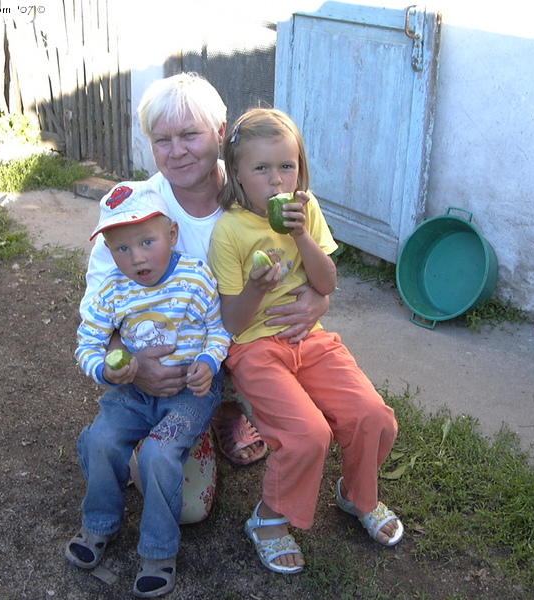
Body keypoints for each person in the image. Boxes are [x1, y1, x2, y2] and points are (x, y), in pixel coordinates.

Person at [82, 73, 329, 469]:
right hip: (177, 364)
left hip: (250, 345)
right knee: (184, 506)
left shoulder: (261, 181)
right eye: (162, 140)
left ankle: (228, 408)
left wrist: (320, 297)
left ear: (220, 132)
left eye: (189, 135)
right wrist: (131, 364)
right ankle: (185, 415)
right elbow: (99, 303)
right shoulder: (135, 211)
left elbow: (308, 251)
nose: (177, 151)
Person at [207, 108, 404, 574]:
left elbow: (327, 281)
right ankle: (269, 521)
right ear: (236, 172)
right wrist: (256, 286)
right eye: (261, 169)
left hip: (309, 338)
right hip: (256, 348)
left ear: (300, 168)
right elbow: (233, 323)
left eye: (287, 166)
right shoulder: (229, 230)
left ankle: (359, 496)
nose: (277, 180)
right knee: (307, 434)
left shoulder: (305, 209)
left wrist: (300, 235)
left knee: (373, 415)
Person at [67, 185, 230, 598]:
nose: (137, 257)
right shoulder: (112, 291)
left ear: (172, 234)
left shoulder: (195, 276)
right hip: (132, 394)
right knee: (103, 438)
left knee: (160, 452)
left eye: (147, 242)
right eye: (122, 249)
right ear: (108, 250)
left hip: (188, 394)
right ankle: (99, 524)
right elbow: (86, 343)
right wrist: (106, 369)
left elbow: (218, 330)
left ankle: (158, 550)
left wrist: (208, 364)